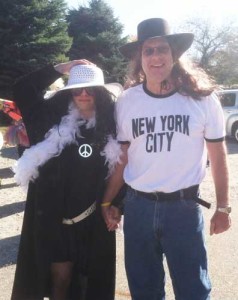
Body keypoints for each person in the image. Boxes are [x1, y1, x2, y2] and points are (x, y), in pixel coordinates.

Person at [101, 18, 231, 300]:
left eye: (162, 49)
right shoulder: (127, 101)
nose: (155, 57)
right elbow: (123, 158)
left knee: (193, 290)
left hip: (183, 209)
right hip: (138, 209)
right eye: (148, 51)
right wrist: (108, 200)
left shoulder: (203, 100)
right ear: (139, 58)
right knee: (144, 290)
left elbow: (218, 157)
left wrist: (223, 207)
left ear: (174, 55)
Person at [11, 60, 123, 300]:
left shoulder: (114, 123)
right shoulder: (49, 121)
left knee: (89, 283)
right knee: (60, 281)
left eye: (90, 88)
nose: (83, 94)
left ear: (100, 92)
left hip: (94, 219)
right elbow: (22, 89)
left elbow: (122, 166)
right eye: (77, 88)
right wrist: (61, 68)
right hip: (55, 221)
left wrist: (117, 204)